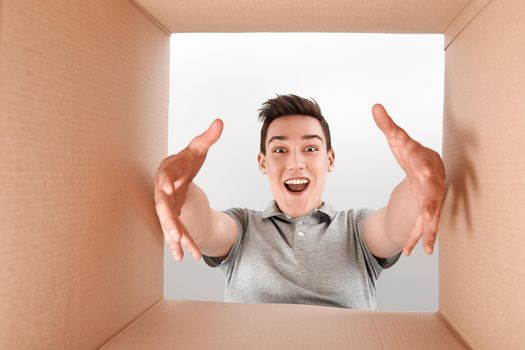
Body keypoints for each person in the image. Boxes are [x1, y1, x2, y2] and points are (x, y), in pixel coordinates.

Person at [153, 94, 446, 309]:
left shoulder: (355, 229)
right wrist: (177, 188)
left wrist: (420, 179)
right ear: (262, 162)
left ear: (329, 159)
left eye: (310, 148)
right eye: (280, 149)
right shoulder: (243, 228)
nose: (296, 163)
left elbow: (395, 222)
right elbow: (203, 224)